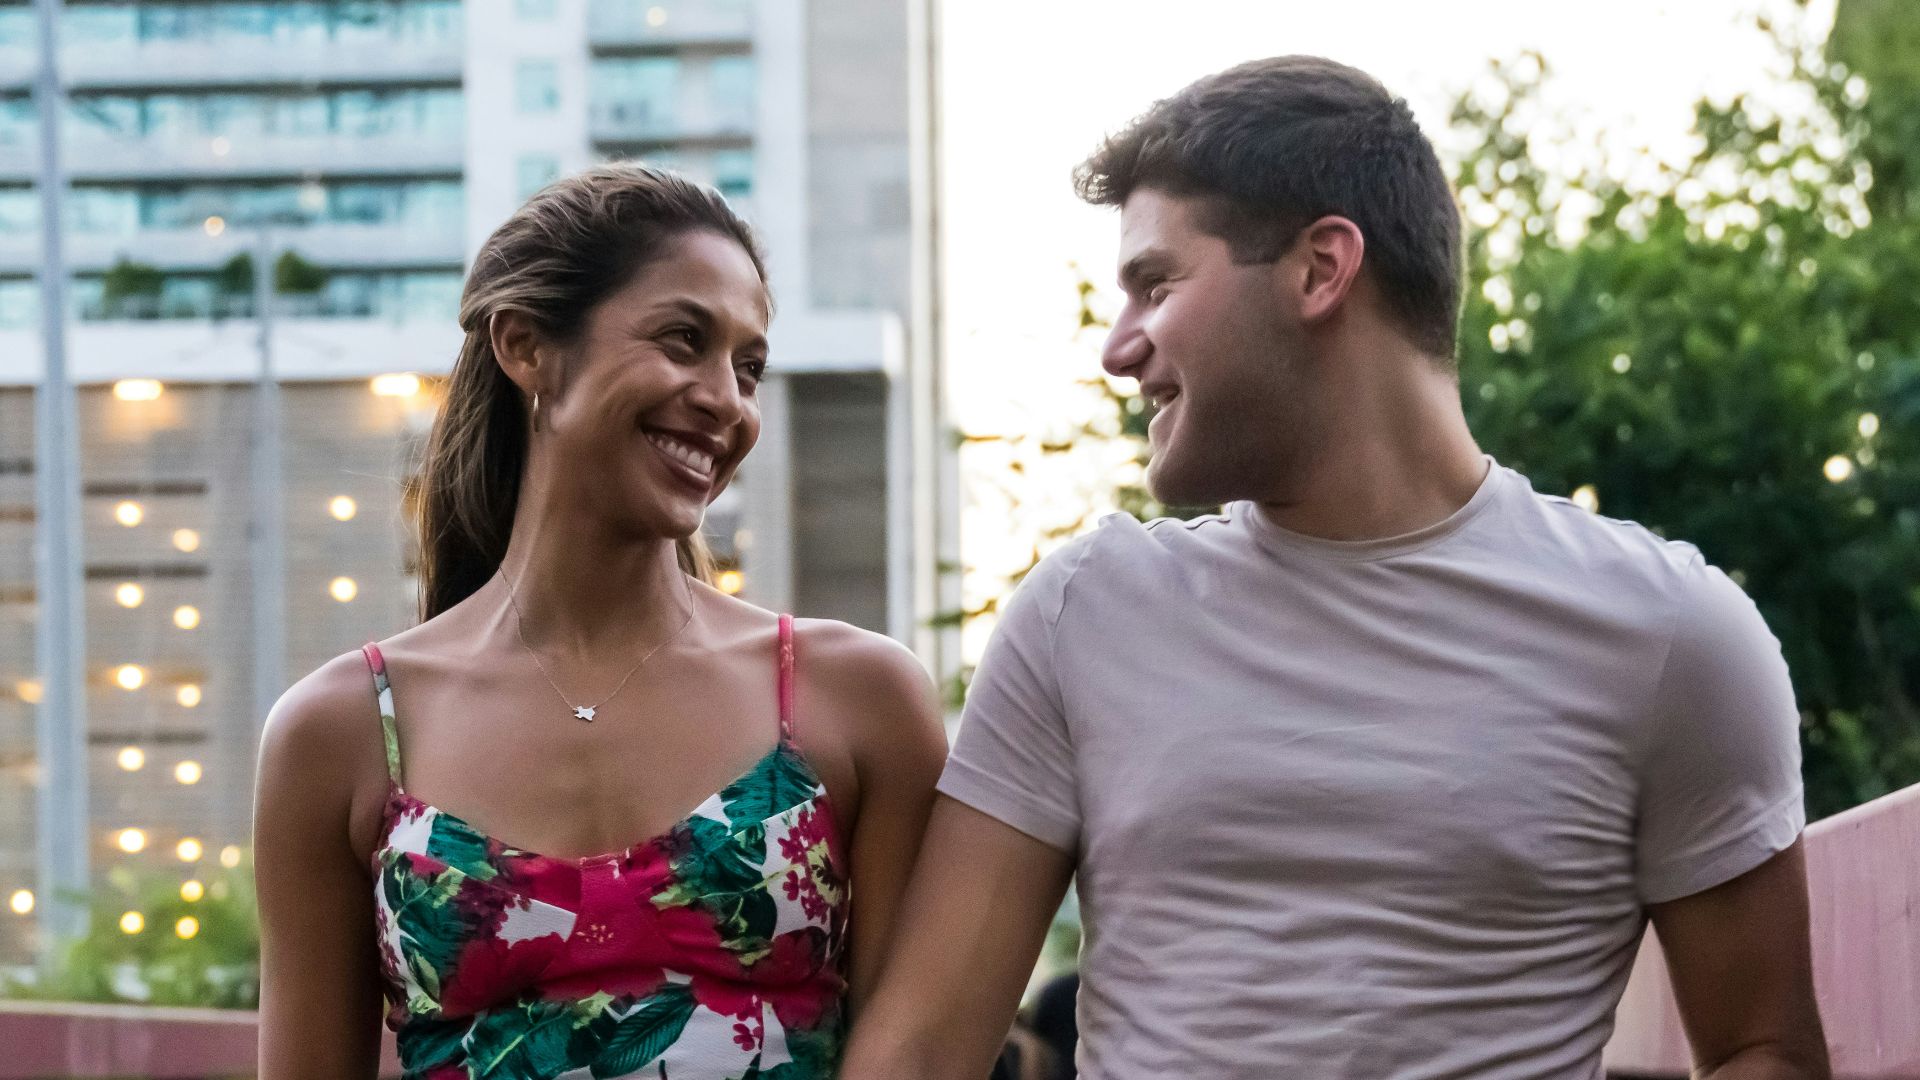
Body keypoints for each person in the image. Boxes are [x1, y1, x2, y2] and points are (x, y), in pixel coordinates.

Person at [840, 56, 1829, 1079]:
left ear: (1322, 269)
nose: (1118, 349)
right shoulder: (1080, 614)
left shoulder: (1674, 635)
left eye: (1154, 284)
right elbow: (920, 1050)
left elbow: (1768, 1050)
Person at [253, 164, 946, 1079]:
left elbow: (920, 1054)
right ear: (526, 346)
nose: (727, 401)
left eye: (748, 368)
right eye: (682, 340)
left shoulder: (855, 700)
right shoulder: (342, 730)